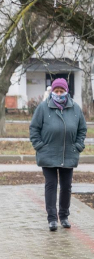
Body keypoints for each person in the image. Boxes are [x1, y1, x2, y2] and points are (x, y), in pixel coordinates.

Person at [30, 78, 87, 231]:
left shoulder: (75, 108)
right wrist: (39, 146)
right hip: (48, 153)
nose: (59, 94)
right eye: (57, 91)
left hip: (68, 154)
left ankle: (64, 216)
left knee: (66, 186)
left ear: (66, 91)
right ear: (52, 91)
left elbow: (82, 129)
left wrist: (78, 146)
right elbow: (34, 128)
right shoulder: (43, 108)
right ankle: (52, 218)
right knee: (51, 185)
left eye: (62, 91)